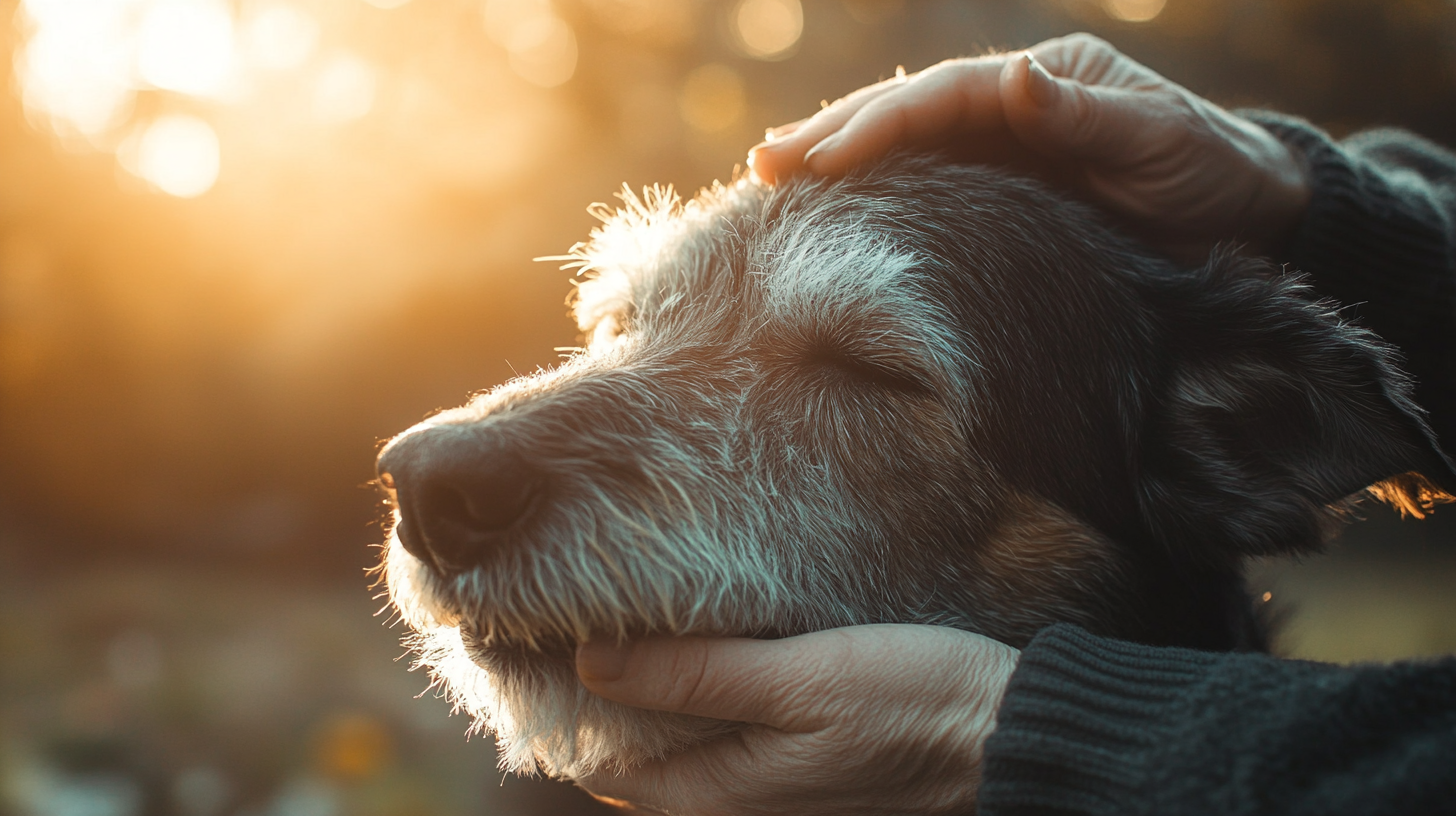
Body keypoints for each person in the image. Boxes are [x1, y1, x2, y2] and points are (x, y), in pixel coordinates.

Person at [571, 34, 1456, 815]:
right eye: (623, 326)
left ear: (1248, 434)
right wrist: (1297, 199)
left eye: (864, 371)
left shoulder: (1224, 407)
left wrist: (1018, 731)